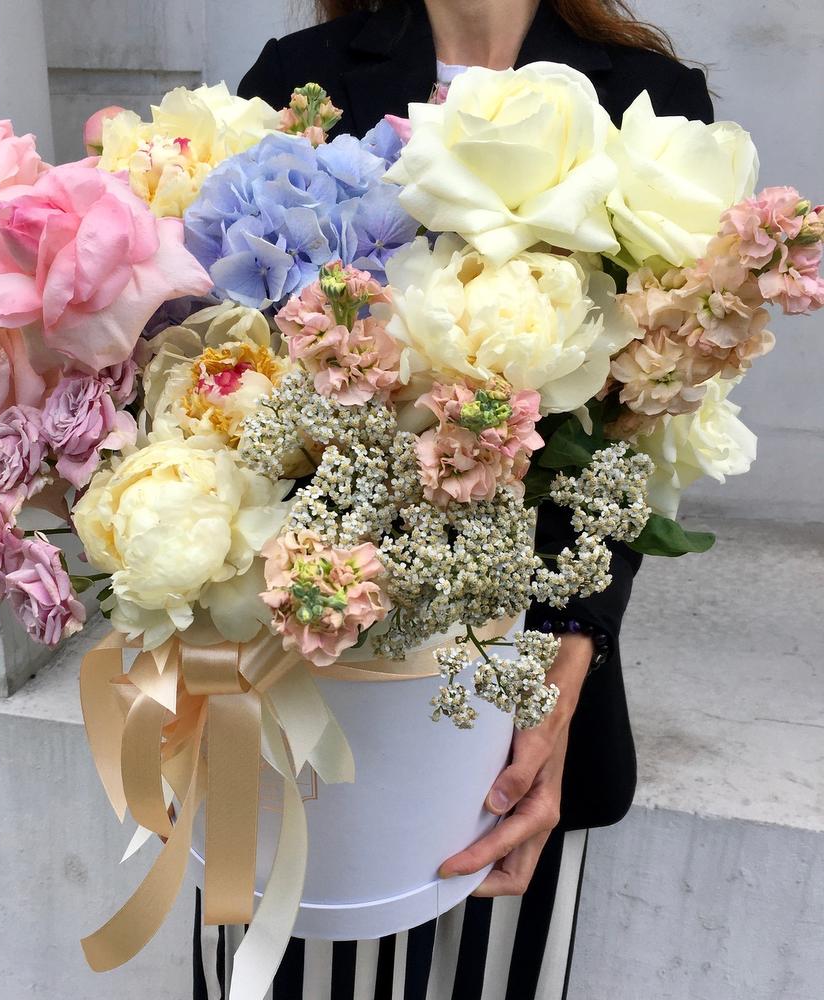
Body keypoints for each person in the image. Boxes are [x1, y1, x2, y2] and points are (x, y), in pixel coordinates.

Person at [195, 2, 714, 997]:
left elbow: (638, 436)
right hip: (292, 700)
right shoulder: (302, 78)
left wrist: (557, 673)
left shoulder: (647, 100)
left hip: (513, 731)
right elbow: (216, 386)